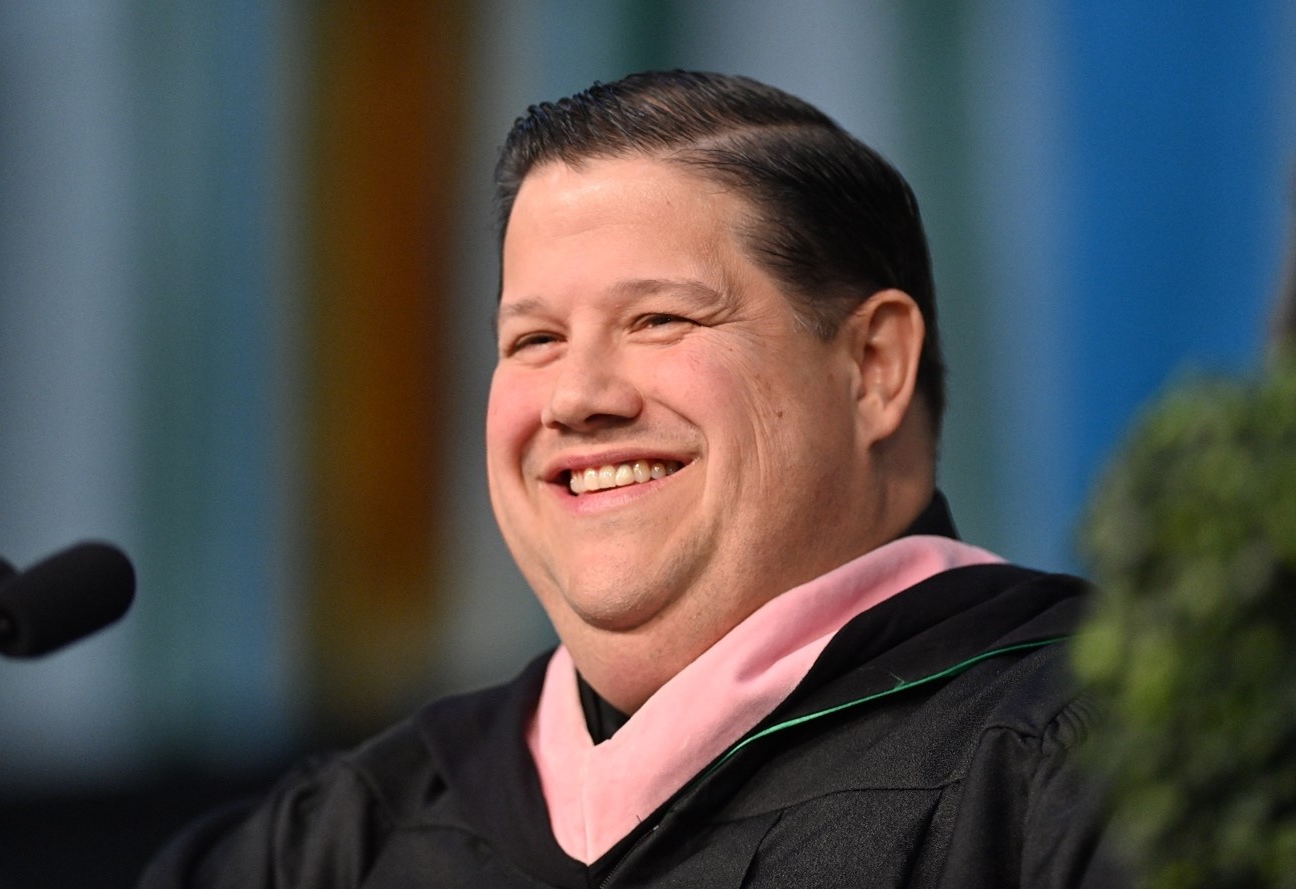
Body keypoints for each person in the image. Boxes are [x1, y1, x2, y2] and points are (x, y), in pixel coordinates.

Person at [141, 70, 1124, 888]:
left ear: (871, 366)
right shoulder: (356, 835)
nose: (574, 396)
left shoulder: (1082, 765)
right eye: (531, 338)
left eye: (657, 318)